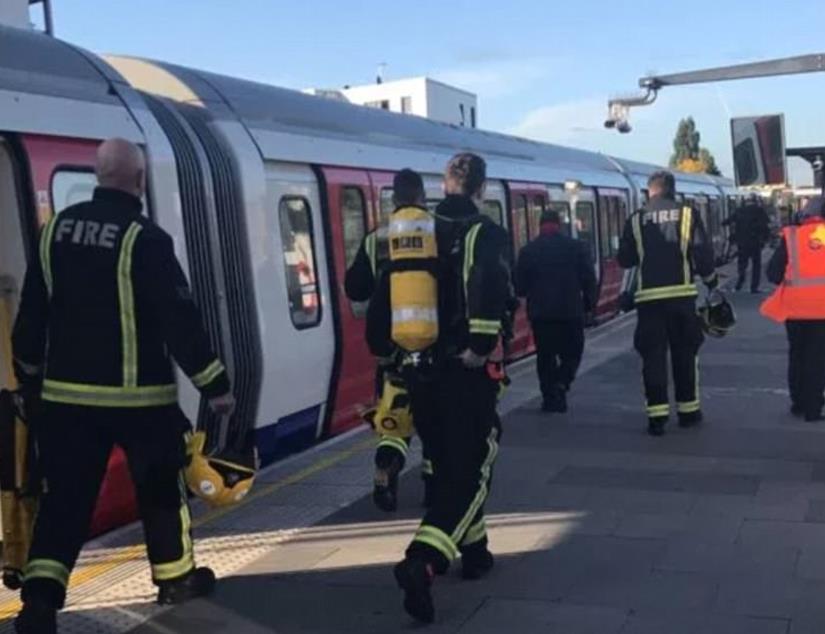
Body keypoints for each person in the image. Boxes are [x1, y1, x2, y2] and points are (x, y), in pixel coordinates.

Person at [11, 138, 234, 634]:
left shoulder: (53, 235)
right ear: (138, 181)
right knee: (159, 491)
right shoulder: (144, 238)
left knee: (64, 501)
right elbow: (180, 319)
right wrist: (214, 383)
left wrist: (28, 378)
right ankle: (175, 579)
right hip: (141, 400)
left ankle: (41, 602)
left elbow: (31, 318)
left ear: (97, 175)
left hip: (65, 400)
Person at [384, 153, 510, 624]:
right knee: (474, 466)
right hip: (462, 371)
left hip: (419, 372)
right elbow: (489, 283)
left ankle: (475, 553)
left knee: (448, 463)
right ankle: (424, 560)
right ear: (481, 188)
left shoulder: (414, 232)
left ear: (444, 184)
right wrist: (479, 346)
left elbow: (379, 291)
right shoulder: (485, 232)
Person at [344, 169, 434, 513]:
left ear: (393, 198)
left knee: (394, 422)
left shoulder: (376, 239)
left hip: (390, 351)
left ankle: (386, 473)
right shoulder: (436, 231)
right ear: (422, 197)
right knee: (433, 426)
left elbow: (355, 288)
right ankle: (432, 489)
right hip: (431, 346)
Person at [618, 171, 718, 437]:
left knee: (653, 357)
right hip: (682, 299)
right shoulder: (687, 214)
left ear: (650, 191)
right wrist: (711, 281)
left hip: (648, 301)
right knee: (686, 355)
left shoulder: (636, 220)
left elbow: (625, 259)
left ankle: (657, 417)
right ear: (672, 190)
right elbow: (701, 252)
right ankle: (688, 412)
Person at [515, 209, 596, 413]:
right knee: (573, 353)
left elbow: (520, 287)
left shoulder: (528, 251)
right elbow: (589, 279)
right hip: (570, 312)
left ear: (539, 225)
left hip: (541, 315)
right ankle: (562, 381)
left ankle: (550, 399)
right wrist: (589, 306)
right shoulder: (577, 247)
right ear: (559, 224)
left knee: (545, 356)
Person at [762, 196, 825, 422]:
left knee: (797, 353)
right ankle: (813, 408)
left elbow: (773, 273)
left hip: (795, 308)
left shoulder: (791, 237)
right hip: (822, 310)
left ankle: (798, 401)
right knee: (817, 358)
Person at [724, 194, 771, 293]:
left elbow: (727, 221)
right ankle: (754, 287)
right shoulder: (759, 210)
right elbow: (765, 226)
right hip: (755, 243)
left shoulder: (739, 210)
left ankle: (740, 283)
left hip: (742, 243)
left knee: (742, 264)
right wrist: (766, 238)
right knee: (756, 265)